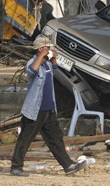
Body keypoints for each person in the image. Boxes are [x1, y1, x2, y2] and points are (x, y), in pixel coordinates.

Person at [10, 35, 87, 177]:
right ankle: (16, 167)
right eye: (47, 47)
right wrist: (41, 55)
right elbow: (31, 71)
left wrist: (53, 59)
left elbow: (54, 70)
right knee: (25, 139)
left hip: (49, 110)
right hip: (35, 110)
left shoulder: (47, 64)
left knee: (56, 139)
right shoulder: (33, 62)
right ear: (40, 49)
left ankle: (68, 165)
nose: (50, 49)